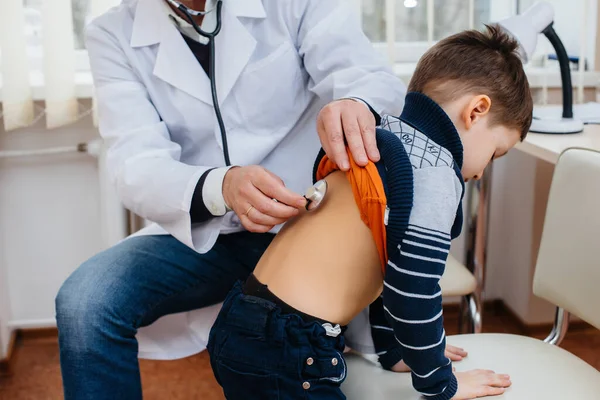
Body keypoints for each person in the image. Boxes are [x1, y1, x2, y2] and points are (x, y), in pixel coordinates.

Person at [54, 0, 407, 398]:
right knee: (85, 302)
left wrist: (354, 103)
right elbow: (135, 163)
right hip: (209, 226)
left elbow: (365, 75)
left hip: (308, 224)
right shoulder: (113, 33)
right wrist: (220, 187)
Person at [206, 24, 533, 400]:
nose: (479, 172)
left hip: (244, 318)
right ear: (476, 111)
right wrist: (442, 382)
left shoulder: (380, 134)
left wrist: (395, 352)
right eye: (495, 152)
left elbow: (383, 267)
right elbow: (412, 291)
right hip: (292, 346)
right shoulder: (436, 172)